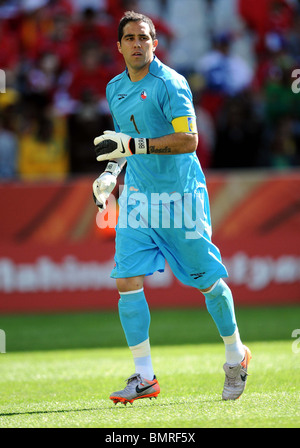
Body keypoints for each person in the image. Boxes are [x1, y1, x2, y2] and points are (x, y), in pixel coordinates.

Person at [92, 11, 251, 404]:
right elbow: (125, 141)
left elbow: (189, 139)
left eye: (144, 37)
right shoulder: (115, 88)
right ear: (119, 46)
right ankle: (144, 377)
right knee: (126, 280)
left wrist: (133, 148)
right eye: (129, 38)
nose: (137, 44)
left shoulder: (172, 84)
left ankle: (236, 353)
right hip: (139, 199)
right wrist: (112, 174)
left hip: (180, 198)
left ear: (155, 43)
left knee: (207, 282)